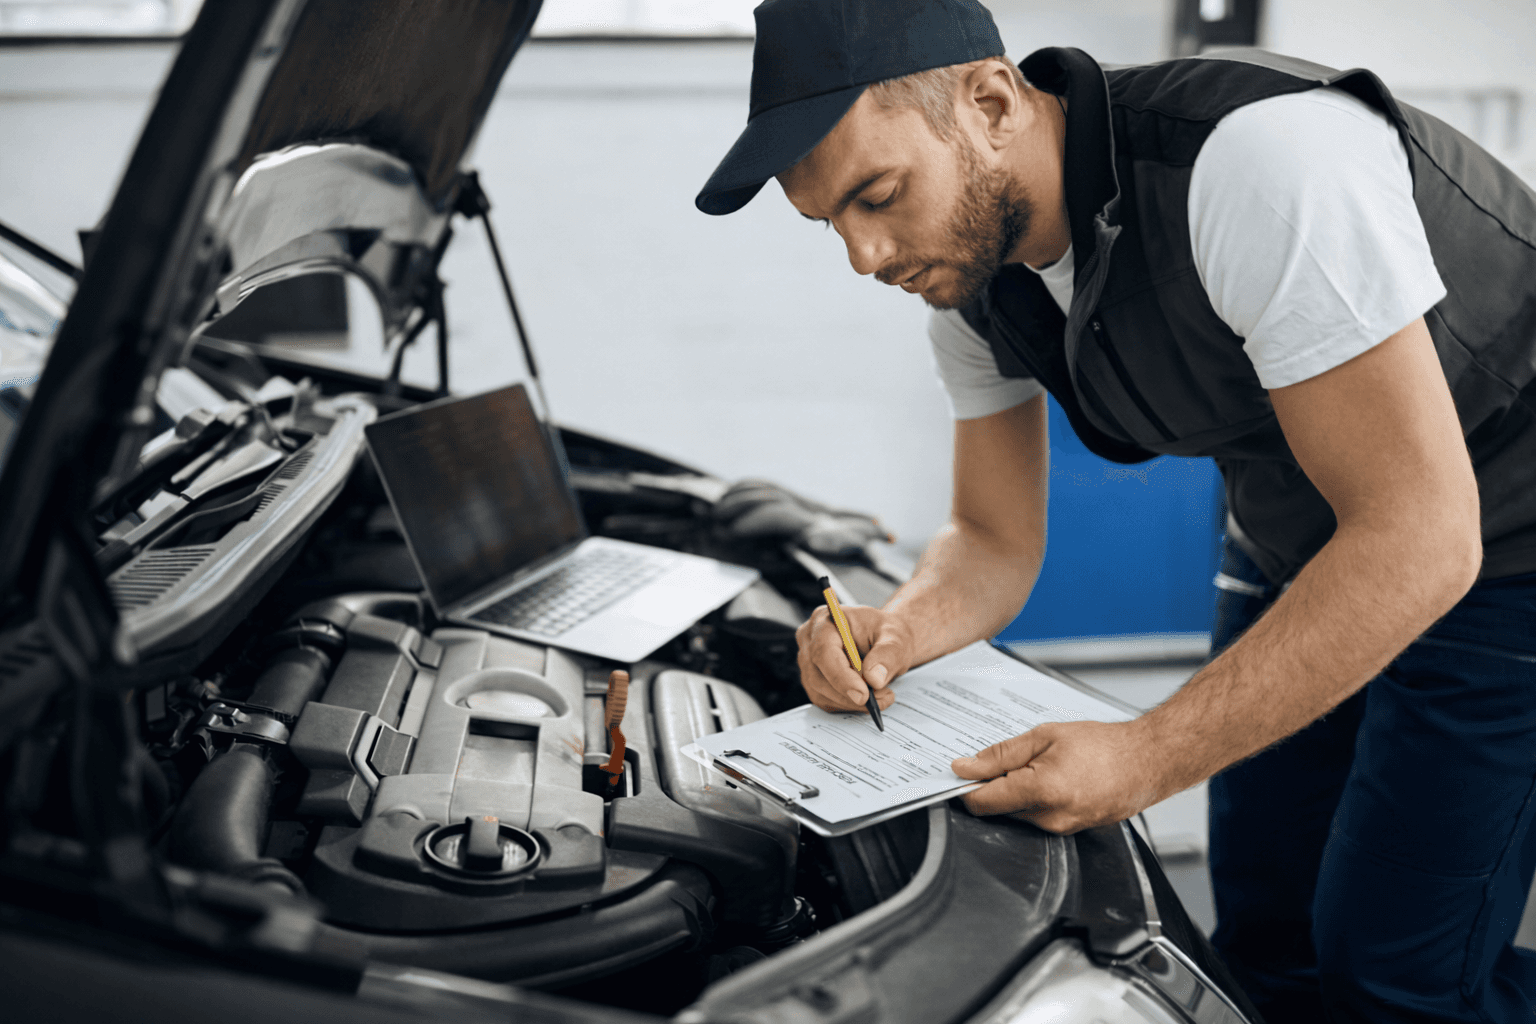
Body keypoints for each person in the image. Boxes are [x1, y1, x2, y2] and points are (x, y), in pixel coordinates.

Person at [694, 1, 1536, 1022]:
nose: (863, 256)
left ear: (993, 101)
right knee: (1267, 938)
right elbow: (994, 540)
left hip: (1505, 534)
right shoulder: (975, 284)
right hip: (1301, 524)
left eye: (878, 195)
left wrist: (1142, 756)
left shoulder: (1255, 163)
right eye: (832, 222)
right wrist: (900, 629)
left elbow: (1420, 536)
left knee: (1394, 974)